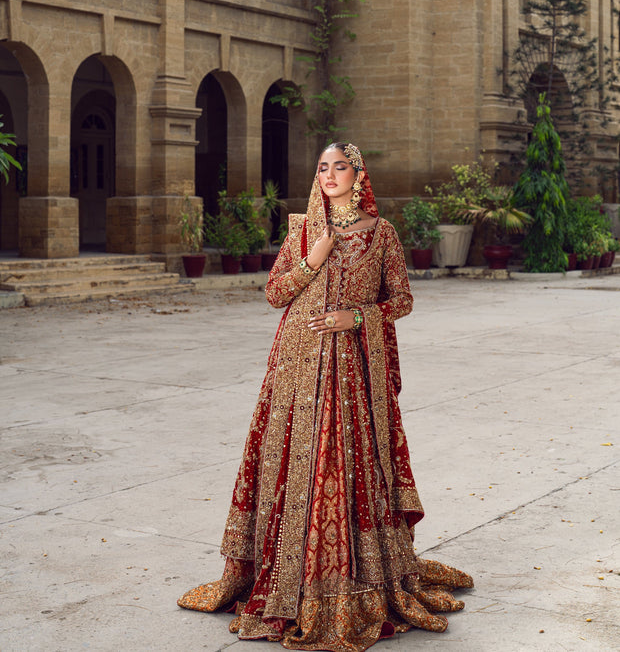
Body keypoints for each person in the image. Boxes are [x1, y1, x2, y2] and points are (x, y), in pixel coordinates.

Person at [178, 142, 473, 650]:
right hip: (294, 370)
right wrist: (312, 259)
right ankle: (282, 580)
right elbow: (275, 294)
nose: (330, 174)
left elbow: (400, 300)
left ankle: (349, 581)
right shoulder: (303, 230)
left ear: (358, 176)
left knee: (342, 466)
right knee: (293, 465)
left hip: (353, 373)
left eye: (340, 166)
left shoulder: (381, 234)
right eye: (322, 167)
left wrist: (356, 317)